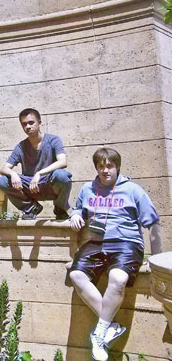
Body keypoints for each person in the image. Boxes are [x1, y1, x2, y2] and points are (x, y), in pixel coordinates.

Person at [68, 148, 161, 361]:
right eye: (101, 166)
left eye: (109, 166)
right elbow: (77, 209)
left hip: (127, 243)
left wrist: (156, 260)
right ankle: (110, 326)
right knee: (75, 275)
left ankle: (99, 333)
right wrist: (74, 215)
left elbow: (153, 224)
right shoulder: (87, 189)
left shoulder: (133, 190)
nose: (105, 170)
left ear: (117, 167)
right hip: (96, 243)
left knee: (118, 278)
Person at [0, 108, 72, 219]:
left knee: (62, 175)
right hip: (30, 186)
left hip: (49, 183)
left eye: (31, 122)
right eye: (24, 124)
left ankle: (60, 208)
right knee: (3, 181)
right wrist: (13, 174)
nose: (28, 126)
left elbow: (62, 161)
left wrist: (39, 174)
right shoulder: (21, 147)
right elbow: (4, 169)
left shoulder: (53, 140)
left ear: (39, 122)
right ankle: (31, 208)